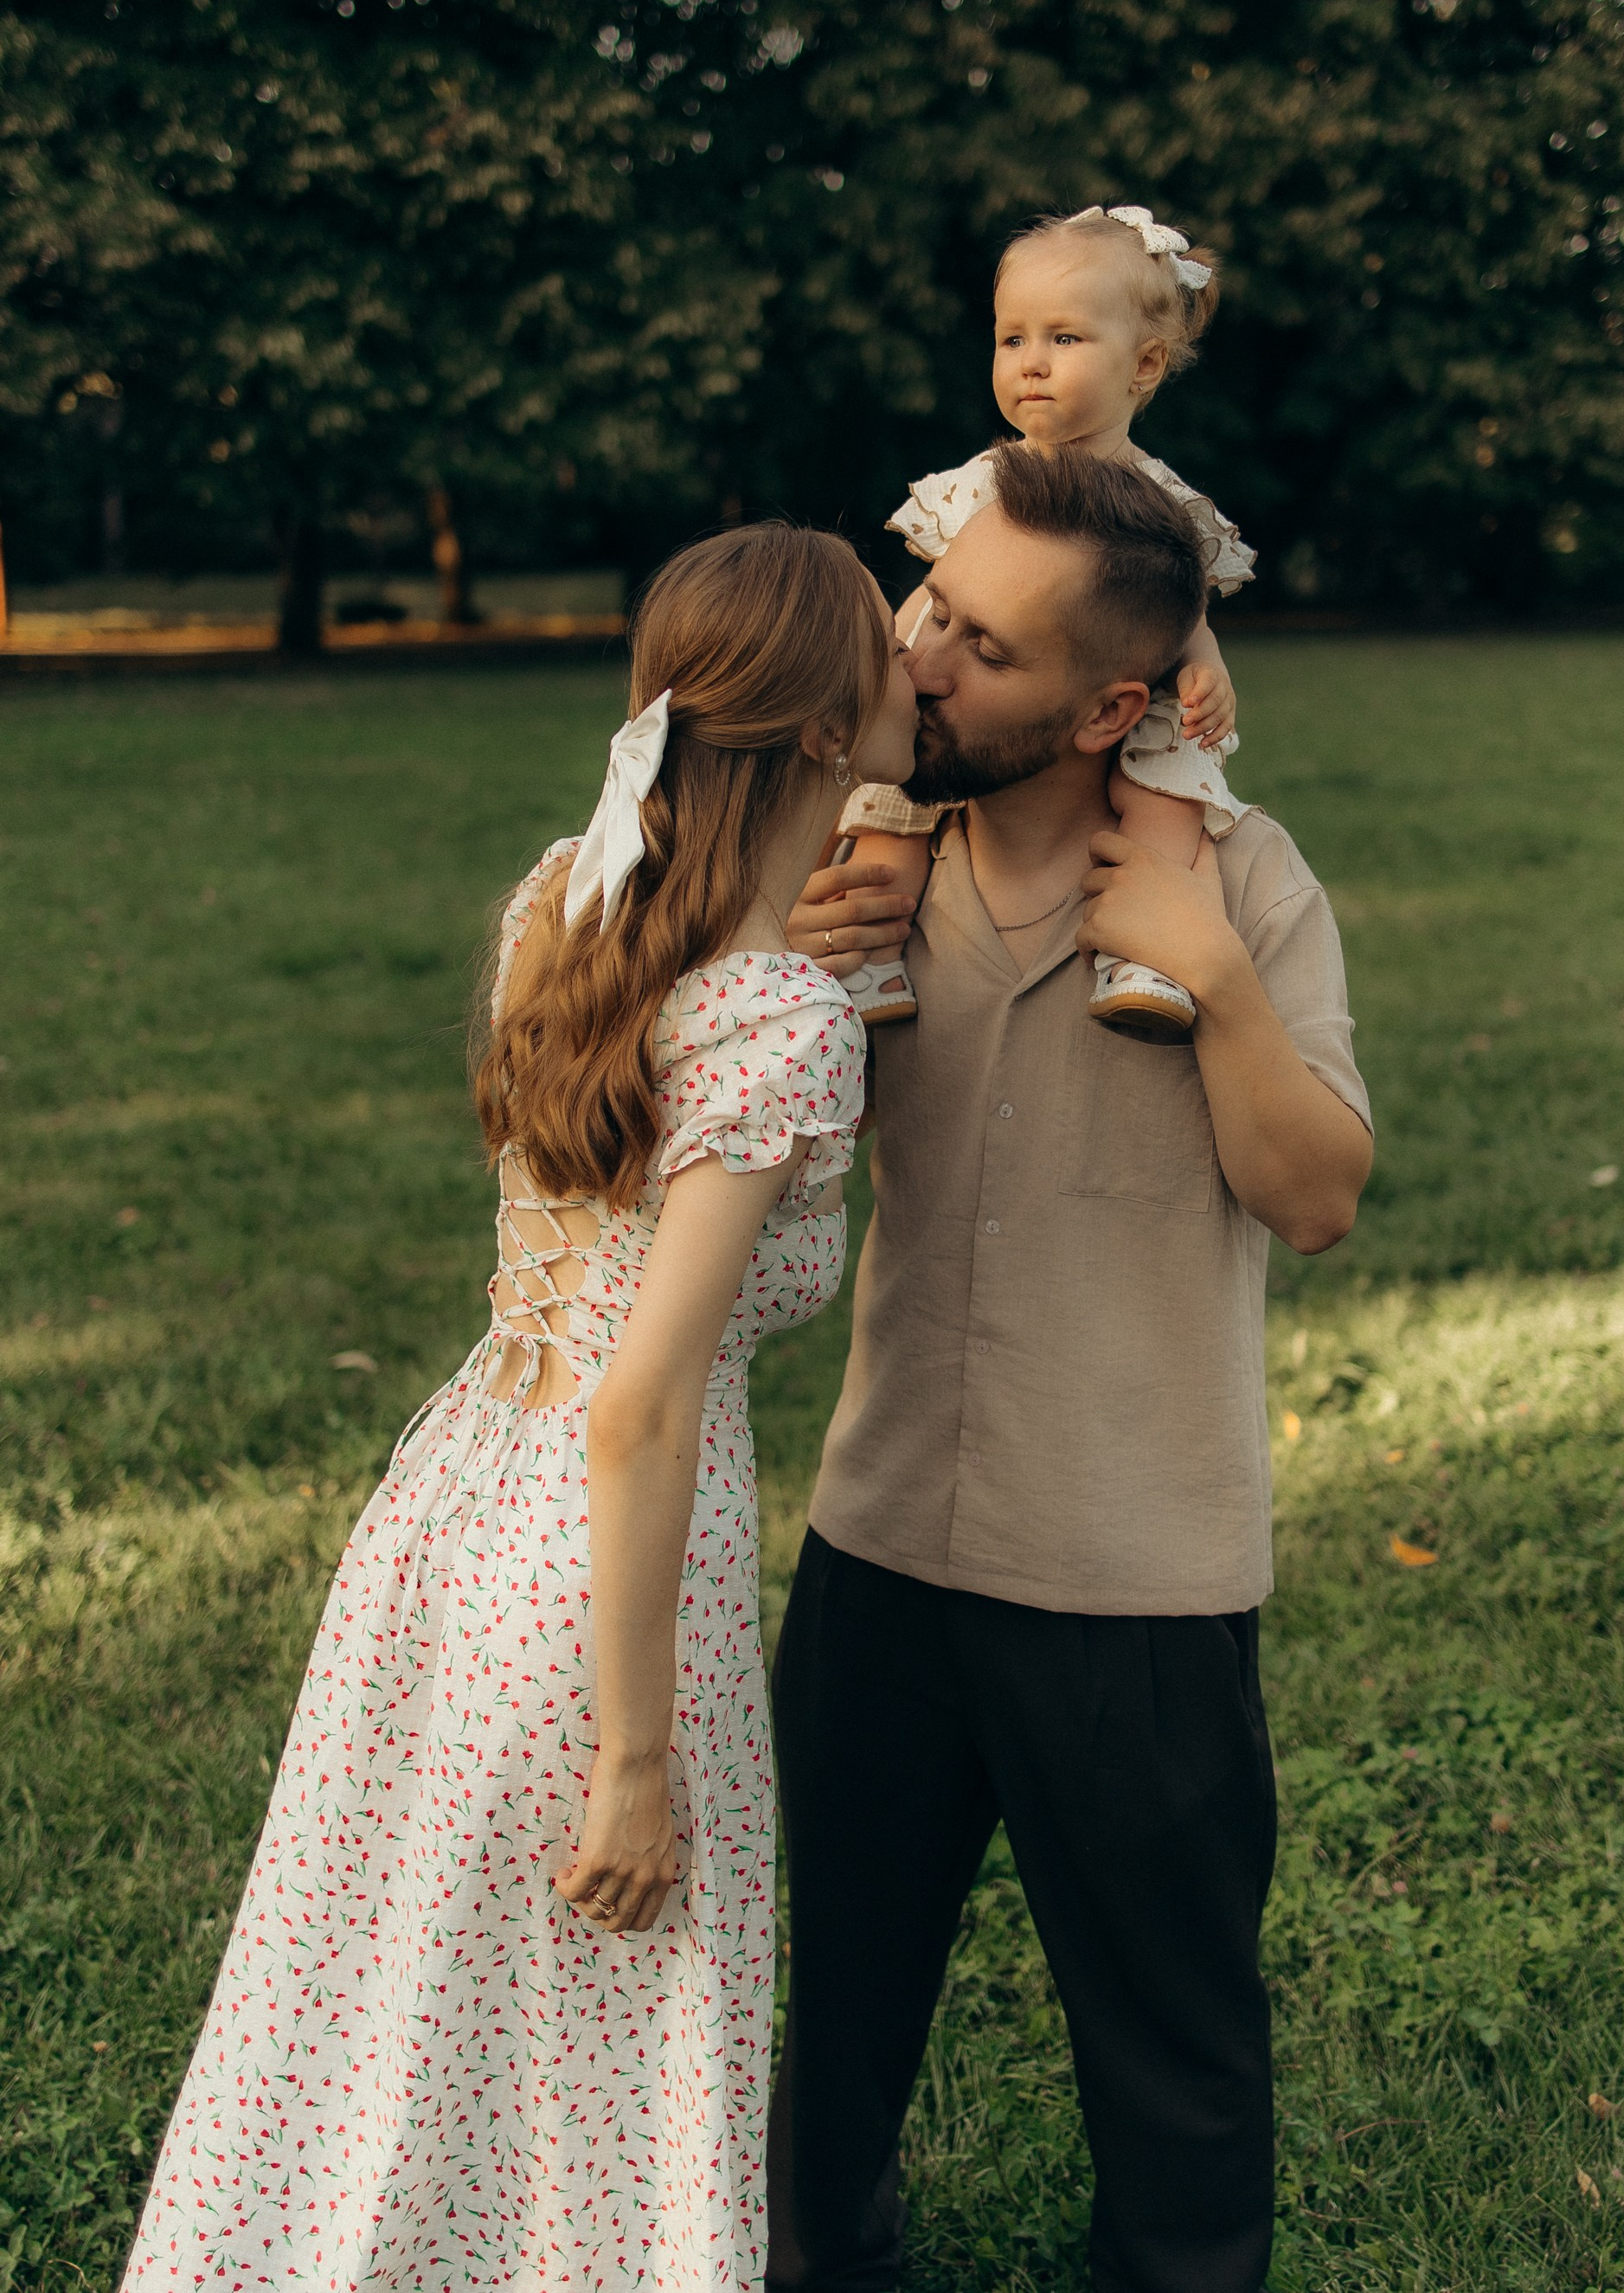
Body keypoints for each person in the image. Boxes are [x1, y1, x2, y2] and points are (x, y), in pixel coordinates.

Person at [121, 523, 916, 2293]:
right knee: (605, 2000)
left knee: (402, 1971)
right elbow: (643, 1406)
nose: (918, 659)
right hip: (605, 1559)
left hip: (458, 1496)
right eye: (889, 638)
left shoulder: (566, 895)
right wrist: (636, 1758)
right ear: (814, 734)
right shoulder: (783, 1019)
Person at [771, 444, 1374, 2293]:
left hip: (1131, 1575)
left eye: (987, 649)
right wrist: (785, 968)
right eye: (934, 608)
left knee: (1169, 2035)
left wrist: (1216, 982)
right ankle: (814, 2257)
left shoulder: (1244, 882)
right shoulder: (859, 865)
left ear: (1117, 704)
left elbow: (1318, 1194)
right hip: (877, 1548)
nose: (929, 660)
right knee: (834, 1998)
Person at [838, 202, 1255, 1039]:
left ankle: (1145, 949)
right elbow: (937, 598)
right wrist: (884, 655)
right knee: (893, 792)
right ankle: (870, 955)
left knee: (1168, 783)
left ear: (1143, 364)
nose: (1030, 363)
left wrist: (1204, 661)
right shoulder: (981, 484)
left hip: (1132, 681)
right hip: (969, 672)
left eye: (1063, 339)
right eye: (1011, 338)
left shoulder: (1161, 502)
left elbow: (1180, 606)